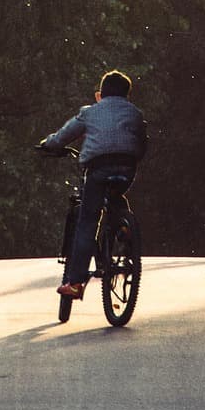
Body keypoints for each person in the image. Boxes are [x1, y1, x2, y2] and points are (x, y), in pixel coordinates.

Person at [41, 69, 147, 300]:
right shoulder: (135, 113)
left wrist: (49, 144)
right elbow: (142, 140)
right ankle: (124, 231)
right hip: (127, 168)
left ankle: (76, 282)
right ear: (127, 94)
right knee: (117, 196)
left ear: (101, 94)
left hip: (98, 169)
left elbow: (63, 136)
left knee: (88, 221)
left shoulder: (90, 112)